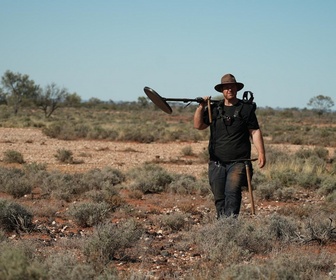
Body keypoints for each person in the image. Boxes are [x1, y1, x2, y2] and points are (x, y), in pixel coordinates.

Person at [194, 73, 266, 218]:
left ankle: (230, 225)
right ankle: (222, 226)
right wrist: (201, 107)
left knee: (232, 194)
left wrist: (261, 153)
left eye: (232, 86)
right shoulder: (214, 108)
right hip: (216, 162)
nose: (229, 90)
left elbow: (255, 131)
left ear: (236, 88)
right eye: (226, 87)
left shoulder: (246, 109)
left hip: (238, 162)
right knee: (219, 197)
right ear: (222, 90)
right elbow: (198, 125)